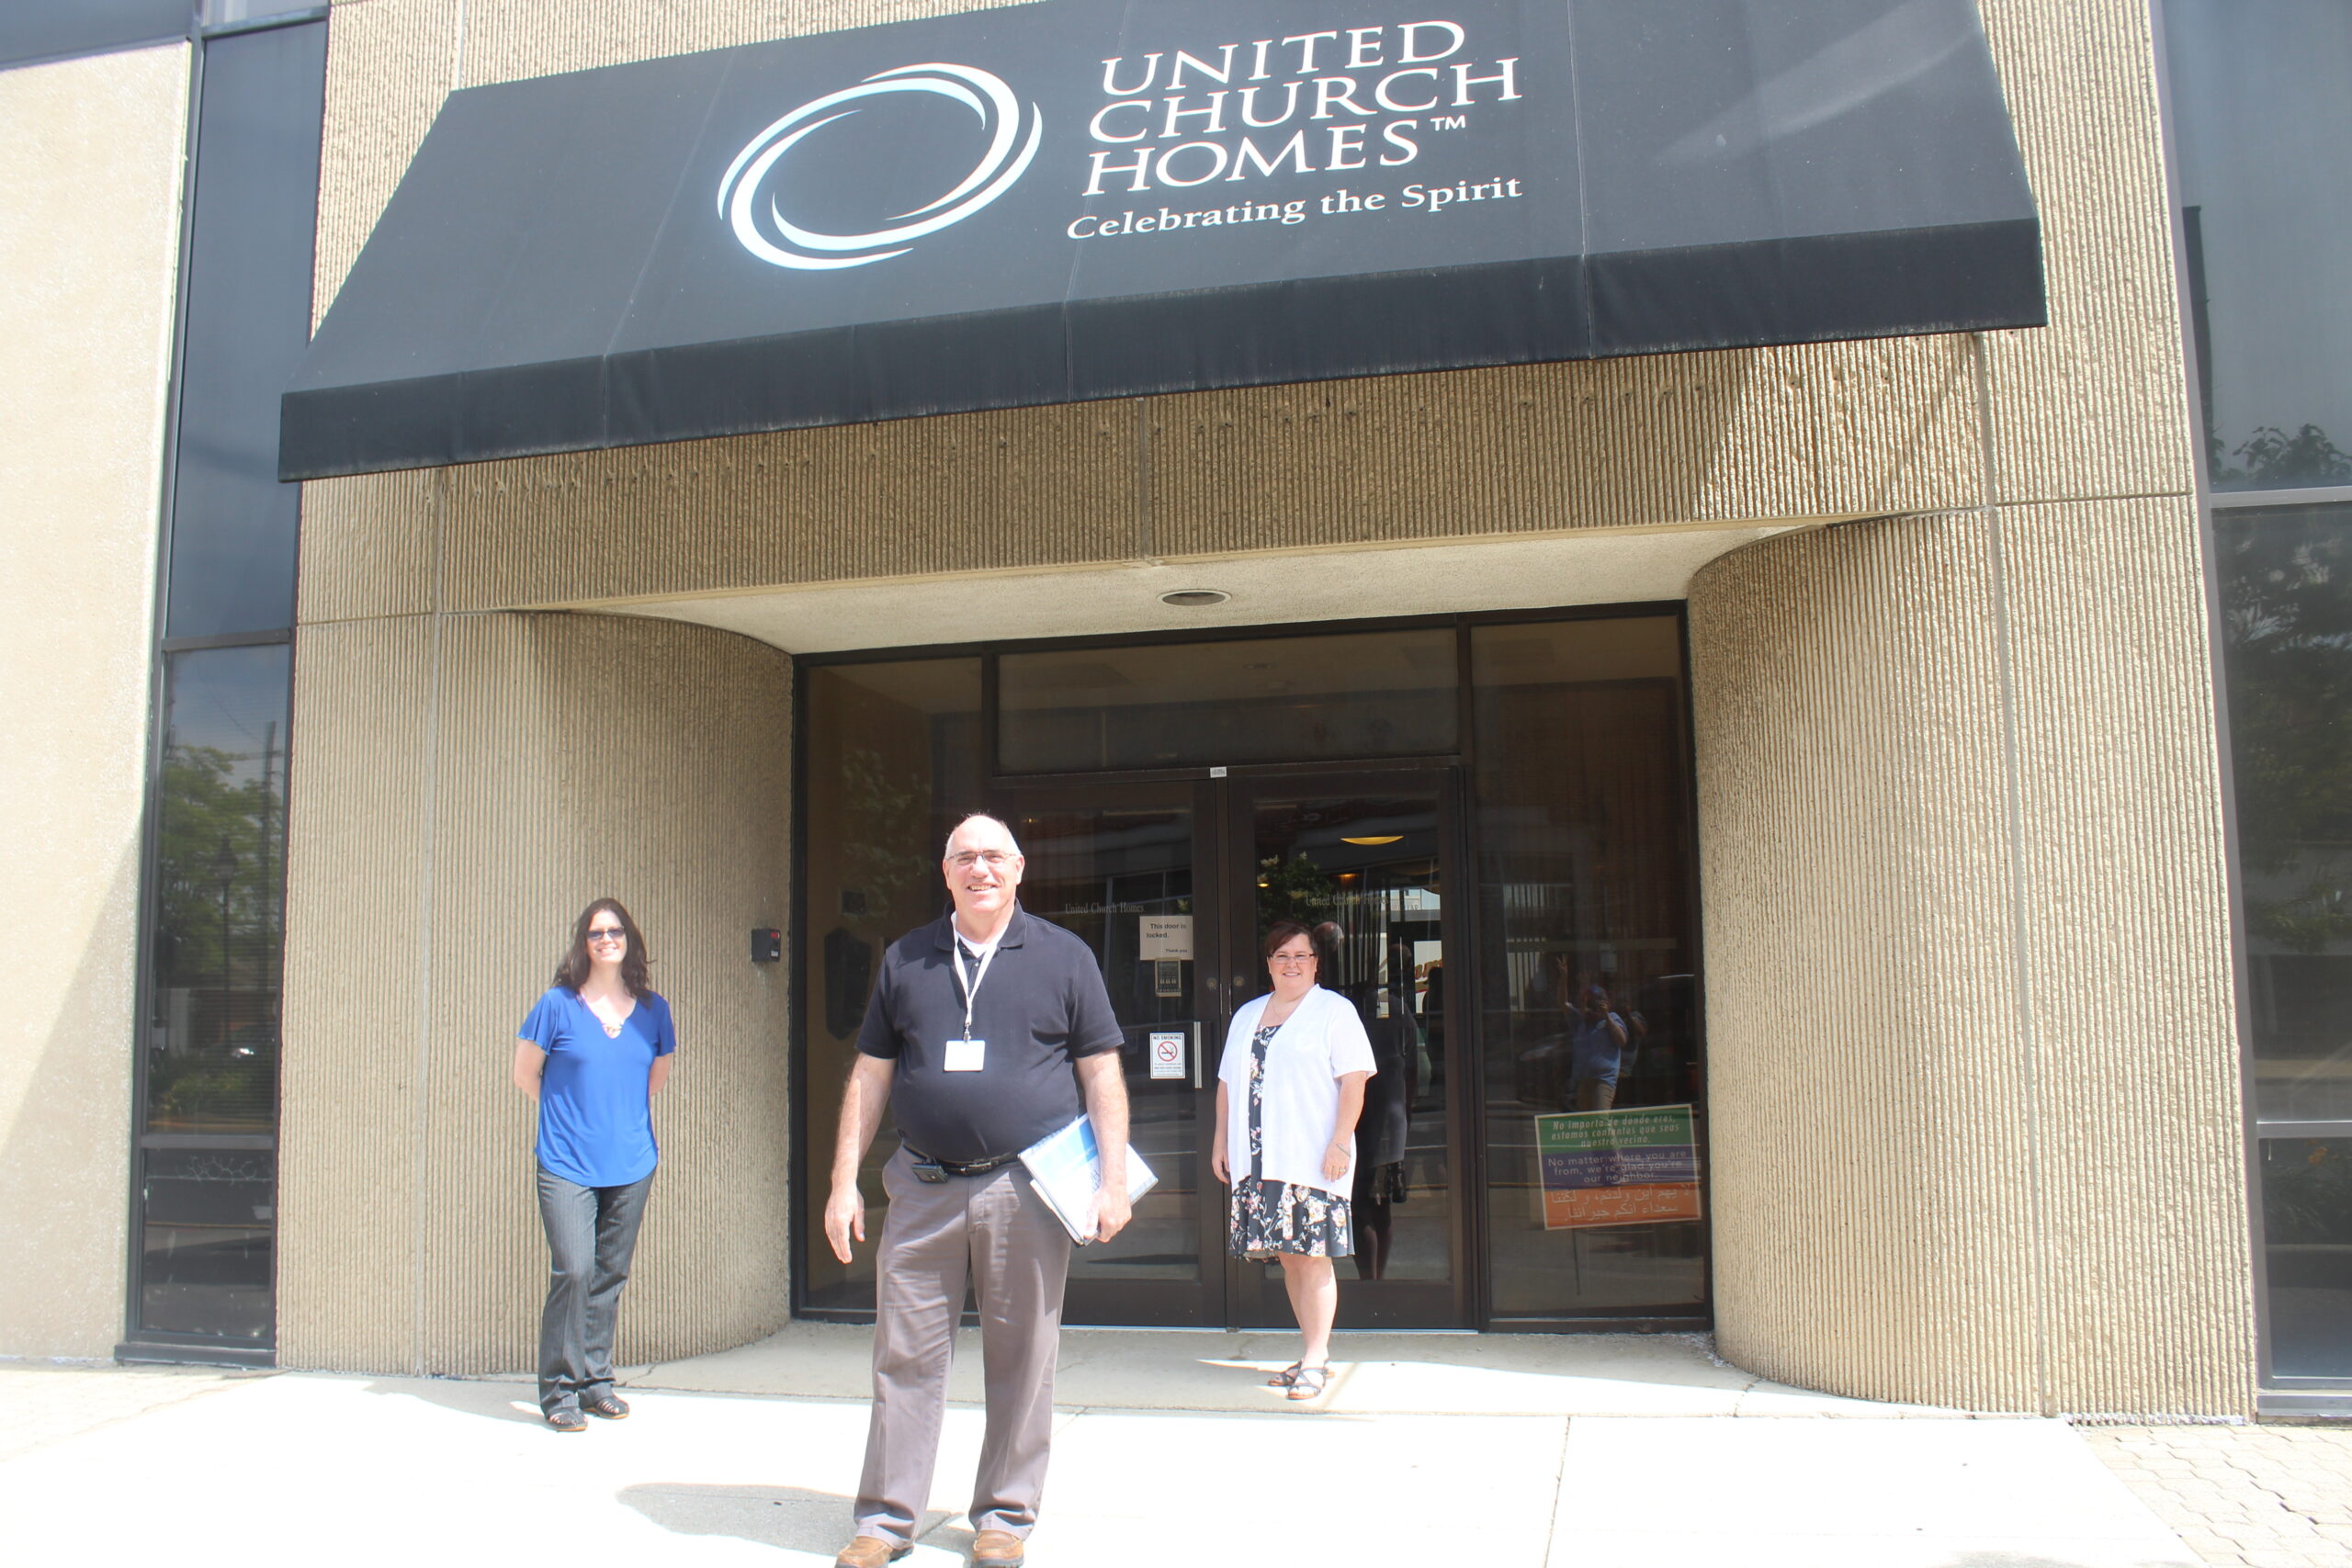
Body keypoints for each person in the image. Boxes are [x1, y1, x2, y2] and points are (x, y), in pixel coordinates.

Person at [826, 813, 1130, 1568]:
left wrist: (1114, 1181)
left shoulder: (1064, 956)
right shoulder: (908, 958)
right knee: (904, 1354)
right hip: (924, 1185)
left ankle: (1005, 1516)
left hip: (1026, 1187)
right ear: (946, 871)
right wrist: (842, 1183)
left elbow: (1101, 1073)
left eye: (994, 855)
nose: (980, 868)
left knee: (1024, 1356)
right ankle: (886, 1520)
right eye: (965, 856)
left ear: (1019, 868)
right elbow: (870, 1072)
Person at [511, 897, 676, 1434]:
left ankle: (595, 1381)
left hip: (631, 1161)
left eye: (616, 930)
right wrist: (570, 1117)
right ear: (583, 943)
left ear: (630, 939)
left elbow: (655, 1078)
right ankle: (558, 1390)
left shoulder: (654, 1010)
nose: (607, 939)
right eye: (596, 932)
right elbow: (525, 1075)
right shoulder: (556, 1006)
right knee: (575, 1270)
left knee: (609, 1274)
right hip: (565, 1163)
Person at [1212, 920, 1374, 1400]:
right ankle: (1309, 1352)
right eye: (1282, 956)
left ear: (1316, 963)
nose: (1292, 965)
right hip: (1259, 1160)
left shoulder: (1334, 1011)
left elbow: (1355, 1080)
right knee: (1288, 1257)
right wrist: (1221, 1142)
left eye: (1302, 956)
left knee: (1313, 1257)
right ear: (1269, 964)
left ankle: (1318, 1358)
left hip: (1311, 1157)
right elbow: (1226, 1084)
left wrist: (1340, 1142)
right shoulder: (1247, 1015)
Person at [1566, 982, 1630, 1111]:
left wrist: (1606, 1016)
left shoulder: (1612, 1018)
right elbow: (1562, 1003)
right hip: (1584, 1080)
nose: (1590, 1009)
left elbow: (1622, 1041)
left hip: (1604, 1079)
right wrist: (1563, 978)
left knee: (1600, 1120)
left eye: (1594, 1004)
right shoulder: (1582, 1022)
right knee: (1588, 1122)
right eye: (1588, 1004)